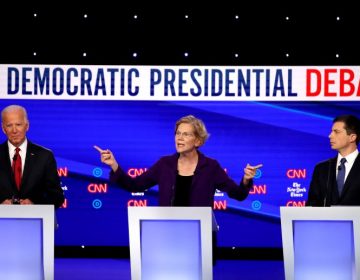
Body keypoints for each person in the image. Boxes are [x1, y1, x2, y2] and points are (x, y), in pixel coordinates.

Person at [94, 114, 262, 207]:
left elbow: (238, 195)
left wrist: (247, 179)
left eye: (186, 134)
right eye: (178, 133)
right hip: (167, 232)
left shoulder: (210, 167)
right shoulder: (164, 164)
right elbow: (135, 185)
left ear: (198, 141)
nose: (179, 138)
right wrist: (114, 165)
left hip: (199, 235)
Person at [0, 105, 65, 208]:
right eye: (9, 125)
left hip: (36, 221)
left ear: (27, 126)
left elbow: (57, 197)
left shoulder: (44, 156)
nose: (14, 130)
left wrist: (34, 205)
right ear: (3, 129)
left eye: (18, 124)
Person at [306, 114, 360, 206]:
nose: (330, 136)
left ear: (352, 137)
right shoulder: (322, 168)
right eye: (331, 131)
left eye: (336, 132)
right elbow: (312, 204)